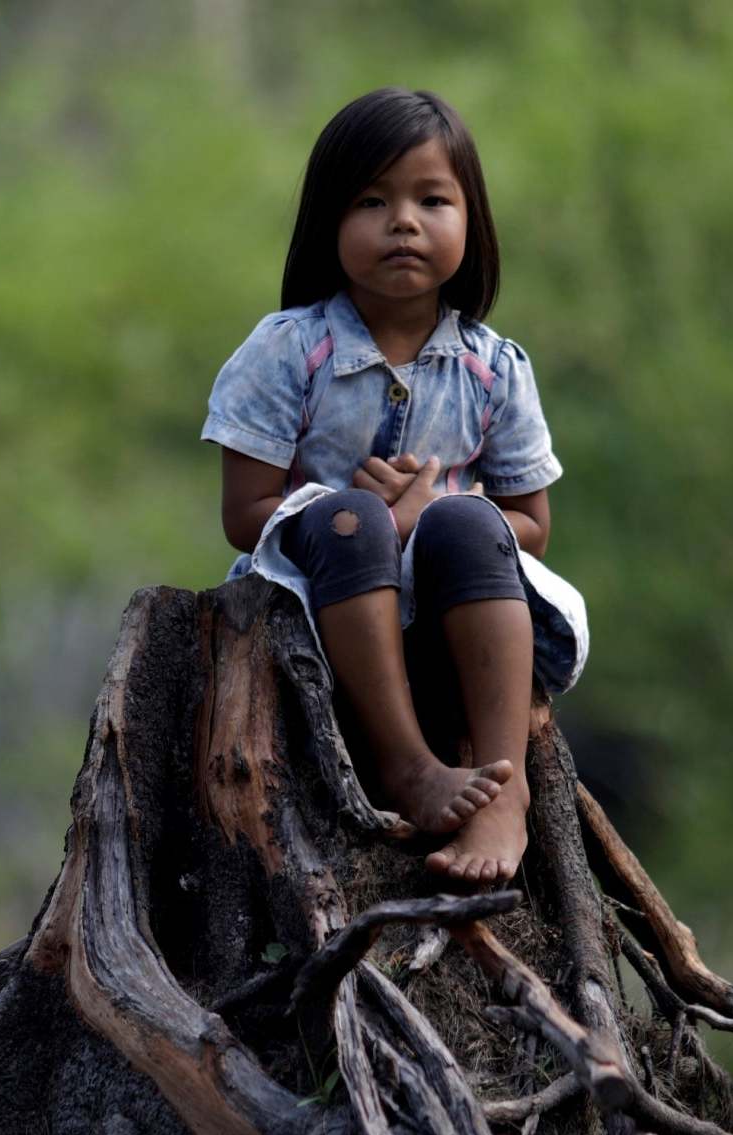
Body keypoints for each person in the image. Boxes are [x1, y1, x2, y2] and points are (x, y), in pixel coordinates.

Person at [202, 87, 588, 886]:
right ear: (327, 223)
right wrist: (374, 514)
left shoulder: (494, 369)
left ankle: (502, 790)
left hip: (454, 584)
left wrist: (431, 513)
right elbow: (246, 517)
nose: (403, 221)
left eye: (431, 199)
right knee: (350, 521)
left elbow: (531, 525)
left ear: (470, 222)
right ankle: (408, 765)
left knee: (469, 524)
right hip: (319, 587)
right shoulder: (288, 352)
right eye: (372, 201)